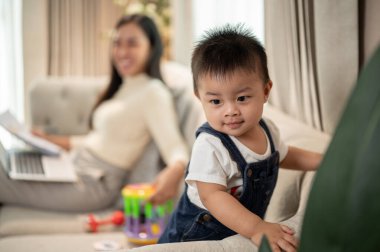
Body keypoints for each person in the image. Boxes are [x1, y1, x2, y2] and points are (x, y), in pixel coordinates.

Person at [158, 24, 322, 252]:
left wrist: (324, 160)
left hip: (238, 229)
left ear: (265, 91)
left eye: (242, 98)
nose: (230, 111)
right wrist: (257, 228)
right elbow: (212, 196)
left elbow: (284, 155)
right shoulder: (210, 145)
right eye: (216, 101)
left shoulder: (268, 130)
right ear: (200, 98)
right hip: (194, 235)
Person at [0, 14, 189, 212]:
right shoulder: (124, 86)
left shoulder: (153, 92)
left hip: (93, 184)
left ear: (151, 47)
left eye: (132, 43)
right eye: (117, 43)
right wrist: (48, 140)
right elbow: (97, 140)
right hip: (73, 165)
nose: (122, 51)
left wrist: (175, 172)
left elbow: (175, 147)